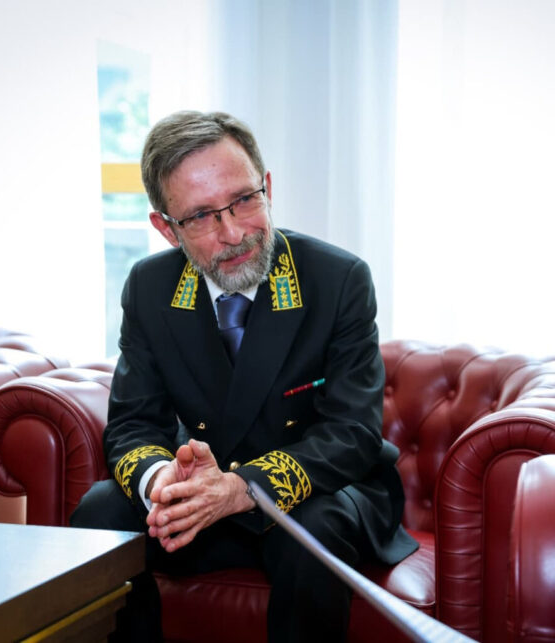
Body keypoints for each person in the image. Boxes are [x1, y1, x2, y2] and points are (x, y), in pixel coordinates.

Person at [70, 110, 418, 643]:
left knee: (310, 532)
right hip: (206, 492)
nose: (233, 233)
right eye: (201, 216)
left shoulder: (337, 278)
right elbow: (133, 424)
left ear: (267, 187)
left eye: (244, 200)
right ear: (166, 228)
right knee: (99, 514)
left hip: (320, 490)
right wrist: (163, 482)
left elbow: (351, 433)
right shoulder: (149, 286)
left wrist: (240, 488)